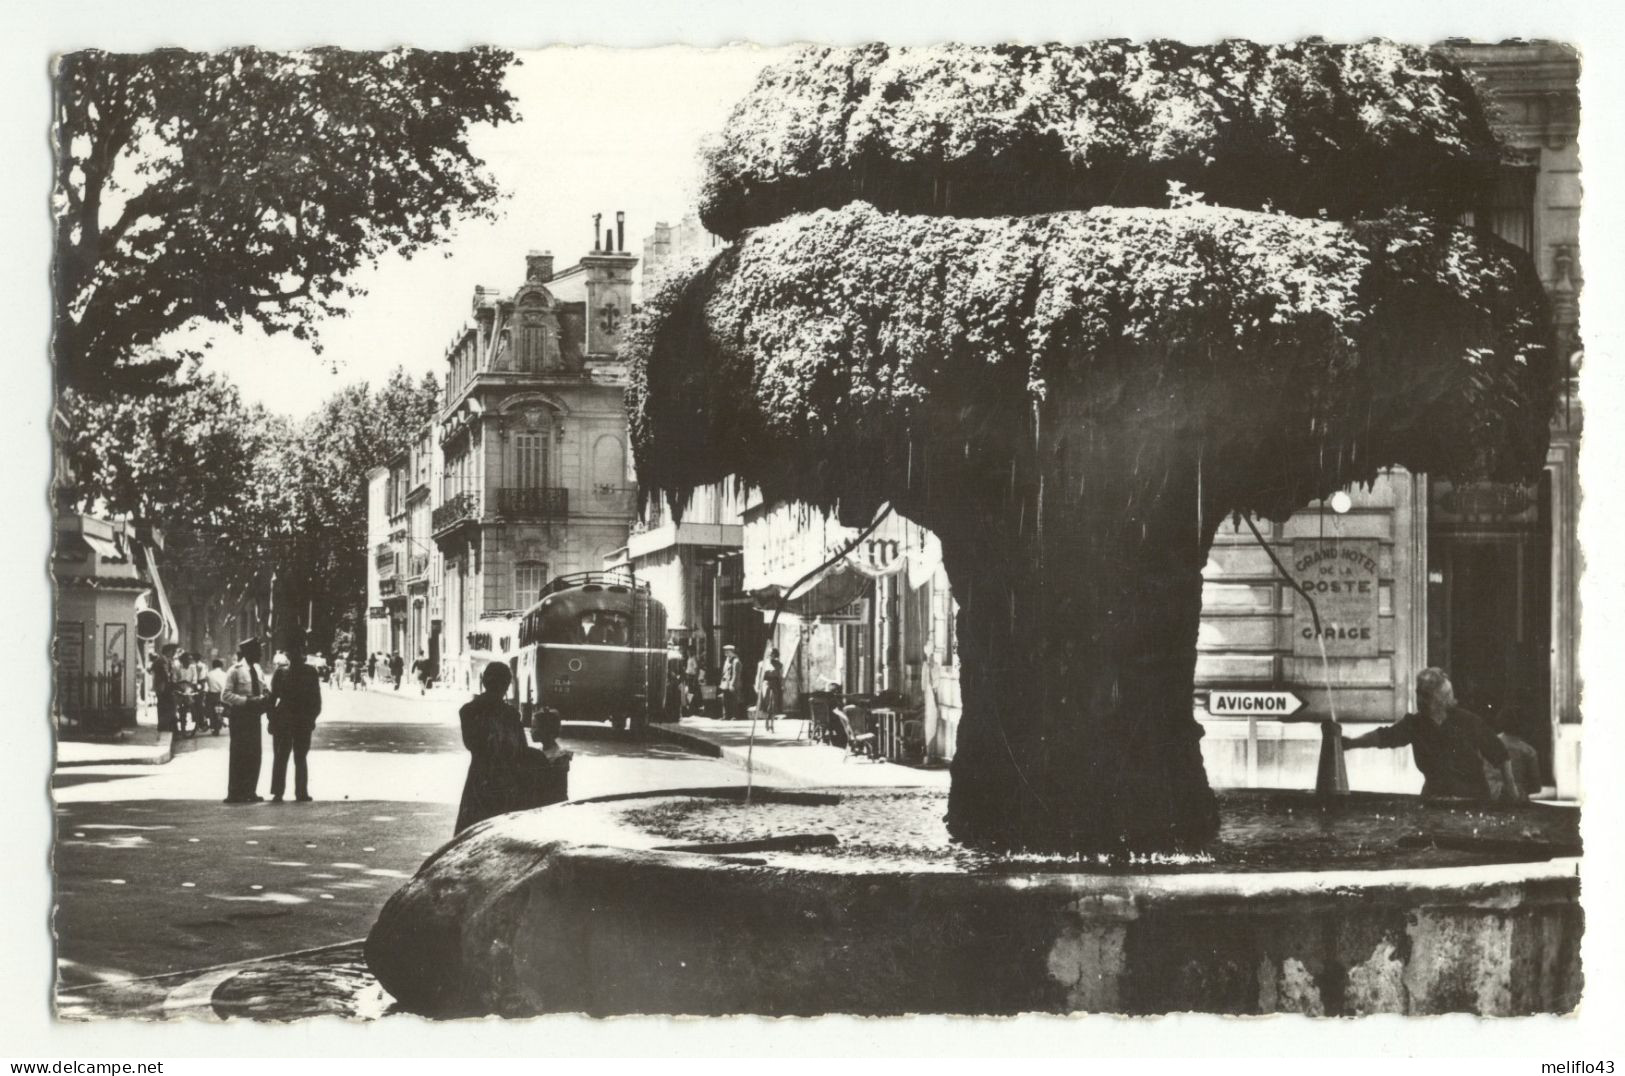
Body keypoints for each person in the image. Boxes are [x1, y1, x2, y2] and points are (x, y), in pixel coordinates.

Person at [1343, 668, 1523, 802]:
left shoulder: (1468, 722)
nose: (1420, 700)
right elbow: (1384, 737)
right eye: (1418, 694)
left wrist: (1511, 789)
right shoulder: (1415, 724)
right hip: (1435, 798)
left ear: (1443, 699)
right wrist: (1352, 743)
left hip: (1472, 798)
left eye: (1426, 696)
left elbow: (1500, 754)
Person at [456, 662, 567, 834]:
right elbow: (520, 750)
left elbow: (472, 745)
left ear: (484, 681)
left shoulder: (468, 711)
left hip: (479, 779)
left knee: (473, 833)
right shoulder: (510, 715)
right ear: (506, 685)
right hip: (506, 782)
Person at [268, 636, 322, 803]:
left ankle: (296, 792)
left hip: (296, 719)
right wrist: (271, 719)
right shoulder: (285, 672)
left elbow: (316, 700)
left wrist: (312, 718)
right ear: (290, 656)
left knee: (295, 756)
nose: (296, 655)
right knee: (286, 756)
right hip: (290, 719)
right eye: (294, 652)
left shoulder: (308, 672)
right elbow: (272, 697)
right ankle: (285, 792)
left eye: (298, 652)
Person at [221, 637, 271, 803]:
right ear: (249, 652)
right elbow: (225, 695)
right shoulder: (234, 670)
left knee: (254, 754)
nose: (261, 654)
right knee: (238, 754)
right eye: (258, 651)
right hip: (240, 717)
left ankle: (250, 790)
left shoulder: (258, 669)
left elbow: (264, 689)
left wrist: (266, 696)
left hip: (254, 717)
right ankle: (235, 792)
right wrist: (248, 701)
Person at [151, 643, 180, 732]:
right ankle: (165, 727)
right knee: (167, 707)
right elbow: (165, 675)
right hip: (164, 688)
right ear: (168, 651)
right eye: (172, 651)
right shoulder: (162, 660)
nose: (173, 653)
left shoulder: (166, 660)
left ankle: (168, 727)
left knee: (168, 707)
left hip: (165, 687)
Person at [757, 647, 785, 732]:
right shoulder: (762, 664)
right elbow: (759, 676)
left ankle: (772, 725)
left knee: (773, 704)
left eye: (772, 654)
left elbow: (781, 676)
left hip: (775, 684)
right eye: (769, 654)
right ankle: (766, 722)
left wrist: (782, 685)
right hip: (765, 684)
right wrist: (758, 686)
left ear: (775, 655)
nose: (771, 655)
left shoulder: (779, 664)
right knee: (767, 704)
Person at [204, 658, 229, 734]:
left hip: (212, 695)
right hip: (222, 695)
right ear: (221, 666)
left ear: (213, 666)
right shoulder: (225, 674)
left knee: (209, 708)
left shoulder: (209, 674)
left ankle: (210, 723)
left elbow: (206, 686)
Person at [719, 644, 743, 721]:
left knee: (734, 700)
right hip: (725, 682)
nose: (725, 652)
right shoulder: (727, 660)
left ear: (731, 651)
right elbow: (724, 672)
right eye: (725, 651)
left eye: (727, 651)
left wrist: (732, 684)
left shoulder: (736, 661)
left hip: (732, 683)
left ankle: (734, 715)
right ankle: (725, 715)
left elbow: (736, 674)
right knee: (725, 699)